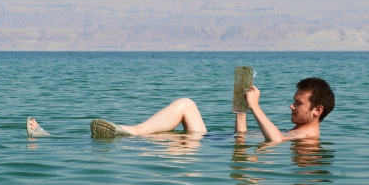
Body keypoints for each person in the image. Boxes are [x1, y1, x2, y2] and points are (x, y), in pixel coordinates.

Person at [82, 77, 335, 143]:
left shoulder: (308, 138)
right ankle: (130, 131)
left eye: (298, 103)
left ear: (317, 111)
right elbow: (243, 138)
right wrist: (242, 108)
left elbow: (276, 140)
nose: (291, 105)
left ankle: (127, 135)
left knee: (168, 143)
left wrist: (256, 106)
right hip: (221, 139)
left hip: (213, 144)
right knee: (186, 104)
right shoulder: (294, 130)